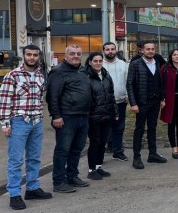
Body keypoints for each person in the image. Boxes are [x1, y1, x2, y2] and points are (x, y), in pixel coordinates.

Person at [0, 44, 51, 209]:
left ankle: (32, 188)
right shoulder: (12, 76)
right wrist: (5, 124)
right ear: (23, 56)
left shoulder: (40, 75)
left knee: (34, 158)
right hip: (19, 122)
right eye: (29, 54)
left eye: (35, 55)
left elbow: (40, 99)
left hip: (36, 122)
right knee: (16, 160)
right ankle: (14, 194)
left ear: (39, 57)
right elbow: (4, 101)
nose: (32, 58)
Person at [46, 44, 92, 193]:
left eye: (79, 54)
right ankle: (59, 181)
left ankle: (72, 175)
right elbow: (52, 96)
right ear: (65, 56)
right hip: (66, 118)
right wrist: (56, 116)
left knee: (77, 149)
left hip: (83, 116)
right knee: (63, 150)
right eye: (72, 54)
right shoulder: (58, 72)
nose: (76, 56)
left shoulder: (82, 71)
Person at [126, 41, 168, 169]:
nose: (150, 51)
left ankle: (152, 154)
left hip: (155, 102)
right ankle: (136, 158)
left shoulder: (158, 63)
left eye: (152, 49)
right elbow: (129, 84)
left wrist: (162, 98)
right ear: (142, 51)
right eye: (148, 49)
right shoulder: (135, 64)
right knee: (139, 129)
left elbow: (160, 82)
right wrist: (133, 103)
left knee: (152, 128)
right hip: (141, 103)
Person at [84, 52, 116, 181]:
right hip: (93, 116)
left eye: (100, 61)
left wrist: (115, 112)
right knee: (95, 142)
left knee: (103, 142)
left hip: (107, 114)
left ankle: (99, 166)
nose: (98, 63)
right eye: (95, 61)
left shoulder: (106, 75)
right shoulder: (86, 76)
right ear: (90, 62)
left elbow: (111, 95)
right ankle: (91, 170)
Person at [102, 42, 129, 161]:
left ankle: (118, 151)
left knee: (119, 127)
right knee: (103, 128)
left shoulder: (123, 64)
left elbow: (128, 81)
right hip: (103, 103)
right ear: (103, 51)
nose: (110, 51)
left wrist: (128, 95)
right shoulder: (99, 64)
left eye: (112, 49)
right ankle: (99, 154)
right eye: (107, 49)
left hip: (120, 101)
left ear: (116, 50)